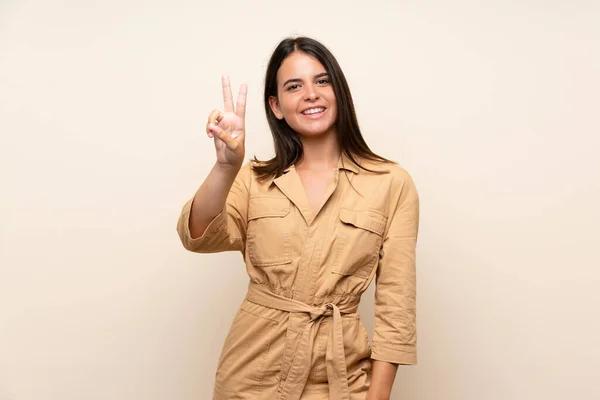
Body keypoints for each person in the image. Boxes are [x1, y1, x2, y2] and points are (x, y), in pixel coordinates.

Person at [176, 36, 420, 400]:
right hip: (251, 376)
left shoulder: (391, 183)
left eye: (322, 81)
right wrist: (226, 166)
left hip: (342, 380)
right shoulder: (254, 179)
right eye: (294, 86)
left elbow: (395, 310)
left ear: (338, 90)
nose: (311, 94)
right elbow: (197, 235)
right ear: (276, 106)